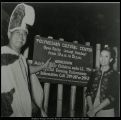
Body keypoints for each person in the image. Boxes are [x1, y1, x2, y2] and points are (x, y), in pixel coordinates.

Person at [1, 3, 50, 117]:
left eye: (24, 34)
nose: (21, 37)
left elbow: (27, 70)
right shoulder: (2, 53)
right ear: (9, 34)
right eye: (17, 33)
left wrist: (43, 67)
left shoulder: (22, 59)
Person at [86, 46, 119, 117]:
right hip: (92, 108)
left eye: (106, 56)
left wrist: (95, 110)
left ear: (110, 59)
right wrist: (91, 108)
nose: (102, 59)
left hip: (107, 111)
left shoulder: (114, 75)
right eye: (101, 56)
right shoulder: (94, 73)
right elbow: (88, 91)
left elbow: (112, 96)